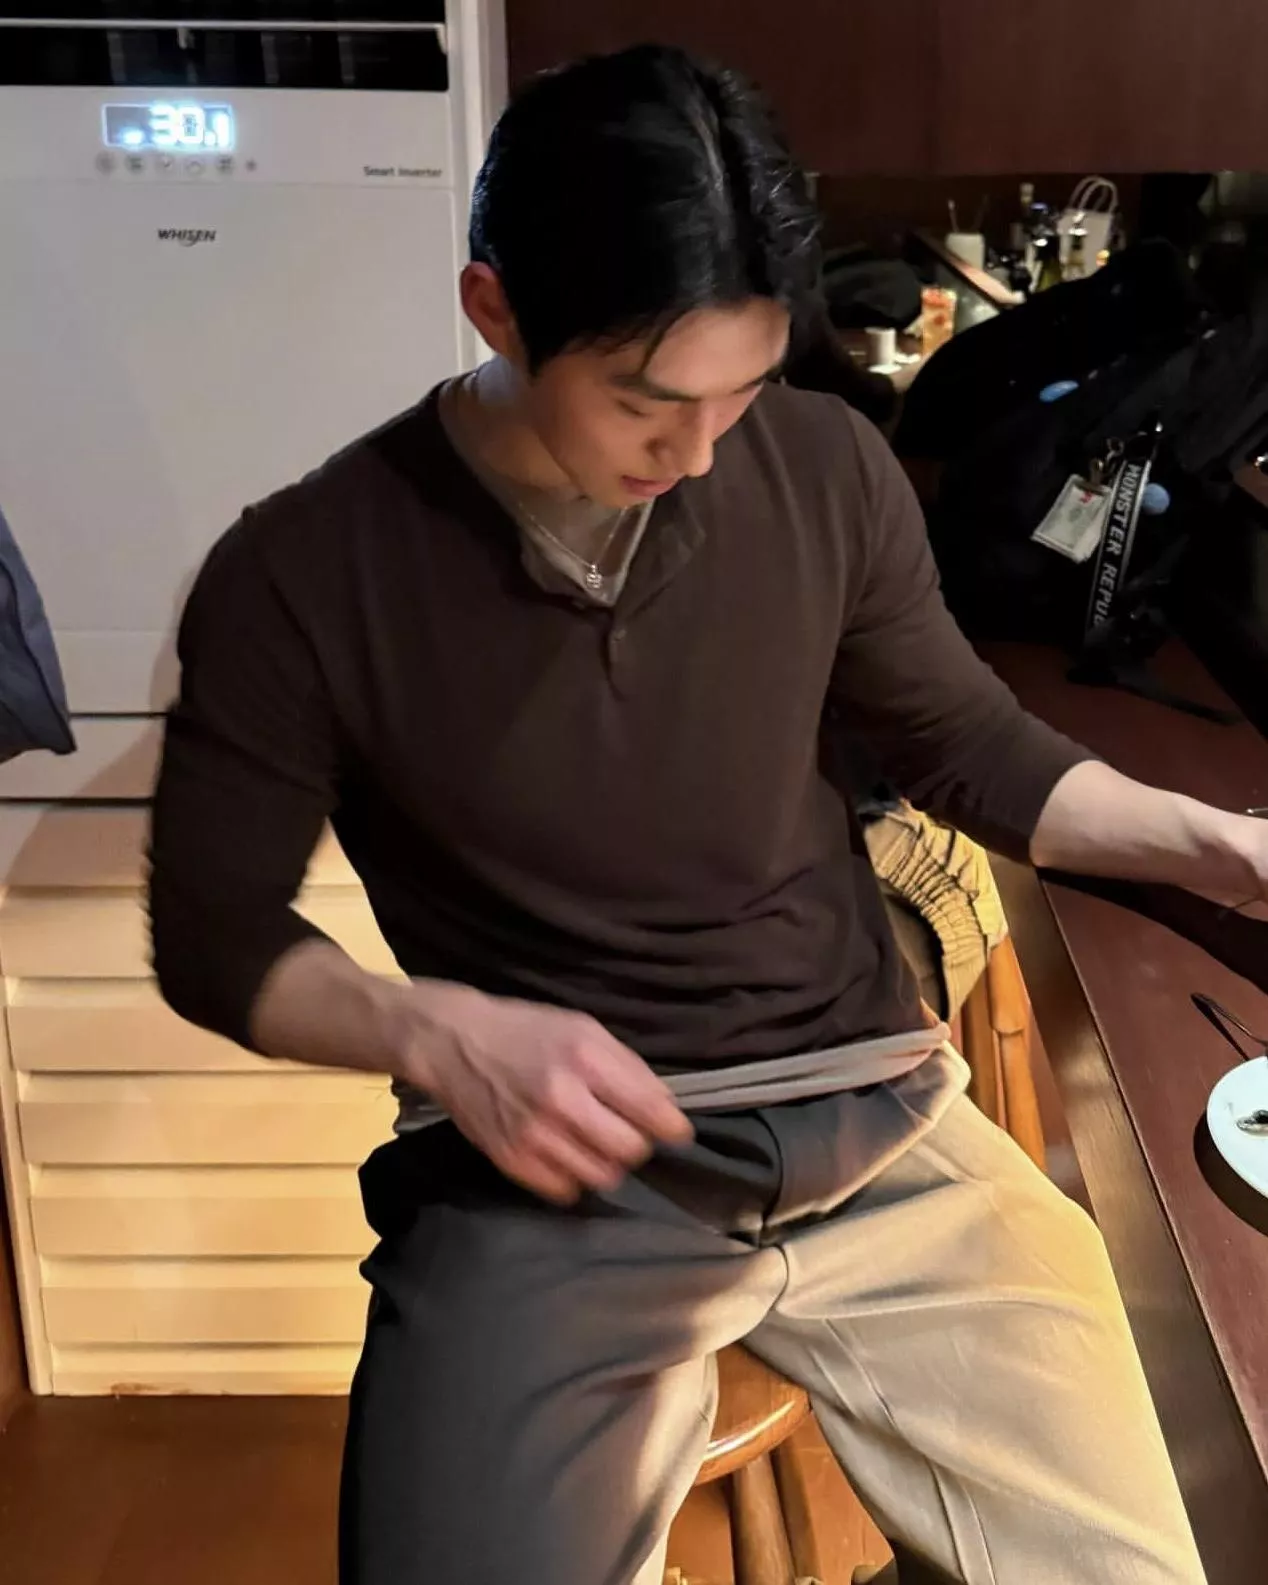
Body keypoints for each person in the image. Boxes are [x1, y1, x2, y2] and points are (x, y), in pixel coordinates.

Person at [146, 45, 1257, 1585]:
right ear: (494, 312)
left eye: (743, 390)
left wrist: (1223, 843)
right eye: (648, 404)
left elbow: (970, 752)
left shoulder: (823, 465)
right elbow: (213, 937)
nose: (700, 453)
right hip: (552, 1174)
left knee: (1148, 1559)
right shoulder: (301, 574)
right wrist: (438, 1035)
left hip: (870, 1114)